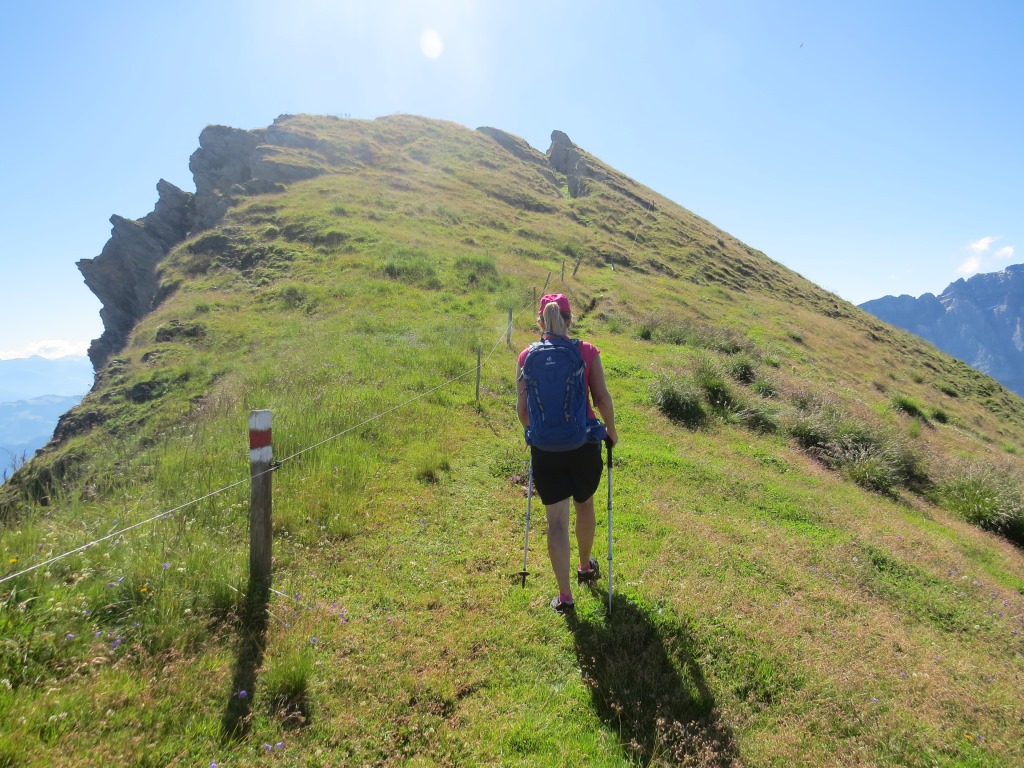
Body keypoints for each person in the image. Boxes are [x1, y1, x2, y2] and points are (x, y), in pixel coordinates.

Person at [516, 293, 618, 613]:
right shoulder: (586, 351)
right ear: (570, 319)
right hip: (583, 444)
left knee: (556, 523)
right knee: (584, 504)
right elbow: (602, 398)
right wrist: (612, 432)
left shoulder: (526, 357)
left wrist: (539, 433)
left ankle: (565, 597)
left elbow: (523, 411)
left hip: (546, 448)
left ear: (540, 321)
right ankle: (585, 567)